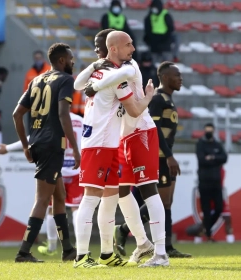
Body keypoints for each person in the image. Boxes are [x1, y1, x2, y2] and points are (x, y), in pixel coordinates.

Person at [76, 32, 168, 267]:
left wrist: (94, 84)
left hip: (139, 131)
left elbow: (133, 105)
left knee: (146, 188)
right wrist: (95, 70)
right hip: (117, 138)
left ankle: (160, 253)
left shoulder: (127, 67)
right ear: (111, 48)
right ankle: (137, 245)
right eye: (128, 44)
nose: (134, 49)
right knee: (119, 194)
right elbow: (78, 84)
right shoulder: (105, 69)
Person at [115, 61, 191, 258]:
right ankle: (125, 229)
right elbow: (154, 129)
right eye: (176, 75)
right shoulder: (157, 99)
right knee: (161, 199)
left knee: (167, 202)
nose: (180, 79)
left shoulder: (168, 99)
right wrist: (168, 156)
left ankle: (167, 245)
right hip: (157, 156)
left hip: (165, 155)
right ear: (164, 77)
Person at [12, 43, 79, 263]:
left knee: (59, 197)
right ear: (62, 60)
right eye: (70, 58)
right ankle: (23, 252)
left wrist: (25, 144)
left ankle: (68, 249)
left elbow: (16, 114)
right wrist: (75, 148)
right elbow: (63, 113)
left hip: (38, 143)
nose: (72, 61)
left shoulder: (36, 80)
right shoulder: (66, 80)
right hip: (53, 145)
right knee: (42, 199)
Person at [0, 112, 83, 256]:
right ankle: (81, 245)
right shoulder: (80, 120)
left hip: (56, 167)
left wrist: (8, 148)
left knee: (49, 207)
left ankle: (52, 246)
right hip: (75, 169)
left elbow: (35, 137)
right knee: (76, 208)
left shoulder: (54, 118)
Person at [195, 123, 227, 241]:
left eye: (210, 130)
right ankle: (208, 234)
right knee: (206, 210)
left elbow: (224, 158)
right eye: (207, 130)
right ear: (204, 131)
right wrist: (216, 158)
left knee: (219, 208)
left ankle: (205, 227)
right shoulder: (200, 144)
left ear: (213, 131)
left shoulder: (217, 144)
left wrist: (212, 157)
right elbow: (202, 160)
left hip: (216, 182)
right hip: (204, 182)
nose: (209, 132)